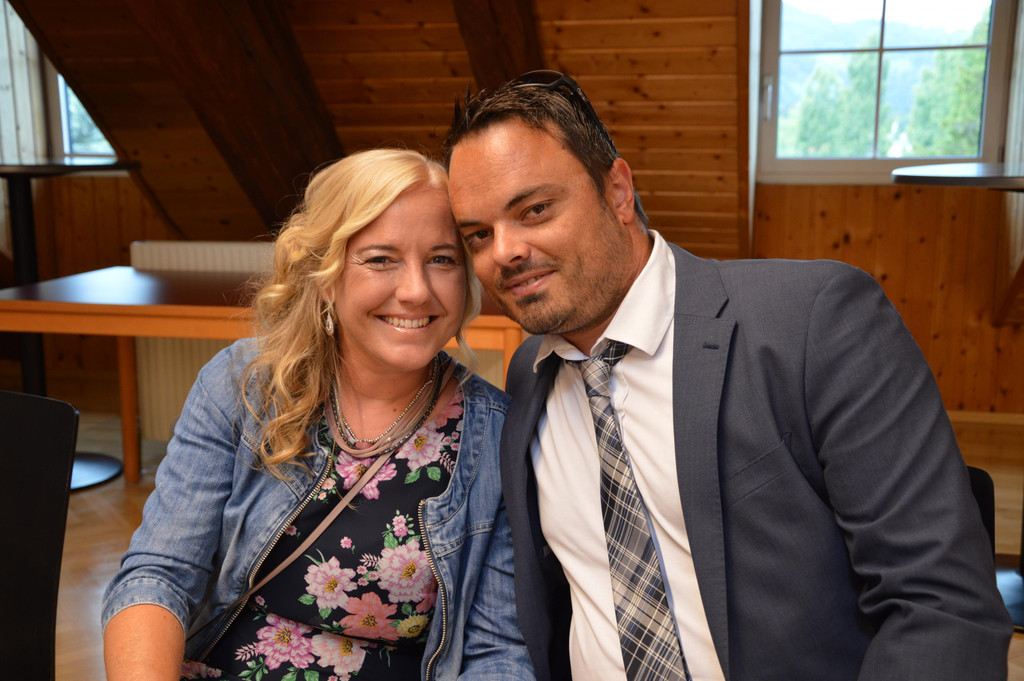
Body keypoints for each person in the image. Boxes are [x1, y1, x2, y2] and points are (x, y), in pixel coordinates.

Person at [442, 70, 1012, 681]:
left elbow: (940, 605)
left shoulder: (812, 322)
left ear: (618, 191)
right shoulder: (528, 375)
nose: (504, 251)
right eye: (479, 235)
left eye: (534, 210)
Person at [102, 148, 534, 681]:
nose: (416, 290)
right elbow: (159, 575)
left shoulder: (496, 436)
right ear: (325, 275)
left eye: (442, 260)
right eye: (381, 259)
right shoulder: (244, 387)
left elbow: (496, 653)